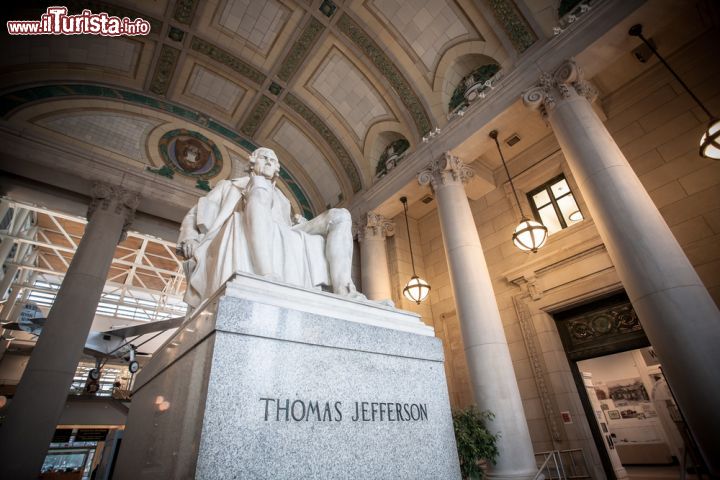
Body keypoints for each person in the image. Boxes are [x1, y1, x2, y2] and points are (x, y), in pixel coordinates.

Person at [178, 147, 363, 308]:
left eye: (272, 159)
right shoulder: (229, 186)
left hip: (282, 231)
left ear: (277, 169)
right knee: (259, 186)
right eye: (263, 157)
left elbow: (285, 228)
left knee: (341, 215)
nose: (268, 161)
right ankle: (266, 275)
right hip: (245, 224)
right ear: (252, 162)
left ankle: (343, 289)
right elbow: (197, 213)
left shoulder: (283, 199)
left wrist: (300, 222)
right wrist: (190, 237)